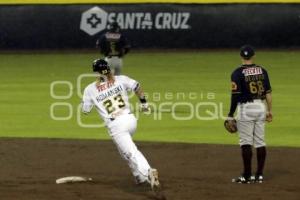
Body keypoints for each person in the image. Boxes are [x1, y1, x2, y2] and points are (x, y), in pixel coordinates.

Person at [81, 59, 160, 191]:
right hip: (131, 121)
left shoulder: (90, 89)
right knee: (123, 150)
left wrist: (87, 102)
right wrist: (144, 103)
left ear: (96, 72)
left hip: (117, 126)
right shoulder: (121, 79)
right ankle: (138, 177)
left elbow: (85, 110)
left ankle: (148, 172)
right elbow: (137, 86)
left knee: (130, 152)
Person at [227, 45, 273, 184]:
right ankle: (259, 175)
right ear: (253, 56)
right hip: (260, 106)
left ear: (241, 56)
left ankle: (246, 176)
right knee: (260, 141)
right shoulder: (262, 71)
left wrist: (230, 114)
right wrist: (269, 110)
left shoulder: (237, 73)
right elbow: (268, 93)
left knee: (246, 142)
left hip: (246, 108)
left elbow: (235, 96)